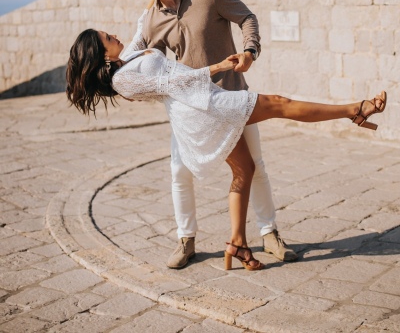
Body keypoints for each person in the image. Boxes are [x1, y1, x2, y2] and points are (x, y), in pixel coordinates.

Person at [66, 28, 387, 272]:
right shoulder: (123, 81)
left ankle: (237, 242)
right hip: (205, 109)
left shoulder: (130, 58)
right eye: (108, 37)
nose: (114, 34)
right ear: (102, 54)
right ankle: (354, 109)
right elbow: (173, 84)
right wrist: (217, 67)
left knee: (244, 169)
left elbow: (140, 28)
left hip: (203, 103)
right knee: (278, 104)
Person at [122, 0, 297, 269]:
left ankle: (269, 233)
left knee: (254, 164)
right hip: (192, 111)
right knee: (180, 172)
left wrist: (249, 51)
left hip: (233, 96)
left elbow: (247, 18)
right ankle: (186, 240)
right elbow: (136, 63)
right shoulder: (150, 20)